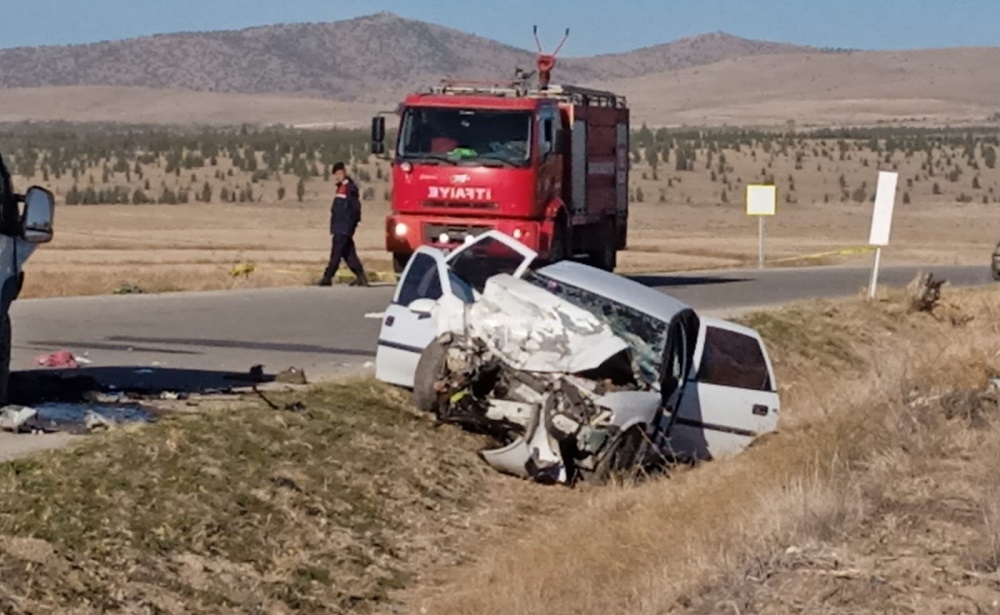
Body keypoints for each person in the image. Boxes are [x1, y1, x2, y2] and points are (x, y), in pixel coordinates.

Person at [318, 162, 369, 287]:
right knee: (348, 254)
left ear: (344, 172)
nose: (337, 176)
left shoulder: (350, 188)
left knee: (336, 253)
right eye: (336, 174)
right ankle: (361, 277)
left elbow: (355, 209)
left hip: (344, 228)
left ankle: (327, 278)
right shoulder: (341, 188)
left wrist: (351, 226)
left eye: (339, 173)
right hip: (339, 227)